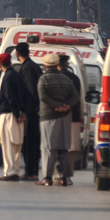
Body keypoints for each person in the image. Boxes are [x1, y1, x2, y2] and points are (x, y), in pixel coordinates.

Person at [36, 53, 80, 187]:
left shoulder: (44, 79)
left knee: (48, 148)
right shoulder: (67, 79)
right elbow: (75, 96)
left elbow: (43, 97)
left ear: (45, 65)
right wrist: (66, 105)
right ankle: (64, 177)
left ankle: (48, 177)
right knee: (63, 147)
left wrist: (57, 106)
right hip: (66, 116)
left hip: (49, 116)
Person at [0, 52, 28, 182]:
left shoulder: (7, 77)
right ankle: (15, 171)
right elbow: (23, 96)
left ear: (0, 64)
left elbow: (10, 97)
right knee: (16, 144)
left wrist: (17, 114)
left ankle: (9, 172)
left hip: (9, 114)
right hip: (17, 113)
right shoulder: (17, 75)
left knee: (8, 144)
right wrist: (22, 112)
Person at [15, 42, 43, 181]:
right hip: (34, 111)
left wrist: (25, 110)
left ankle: (31, 172)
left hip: (31, 112)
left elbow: (31, 91)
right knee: (32, 142)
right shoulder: (33, 66)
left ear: (17, 53)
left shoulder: (27, 68)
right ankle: (31, 172)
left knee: (29, 143)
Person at [56, 54, 83, 184]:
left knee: (57, 146)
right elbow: (79, 99)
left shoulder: (53, 78)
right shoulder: (75, 79)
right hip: (73, 117)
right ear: (67, 64)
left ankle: (57, 175)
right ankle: (67, 175)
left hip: (56, 116)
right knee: (70, 149)